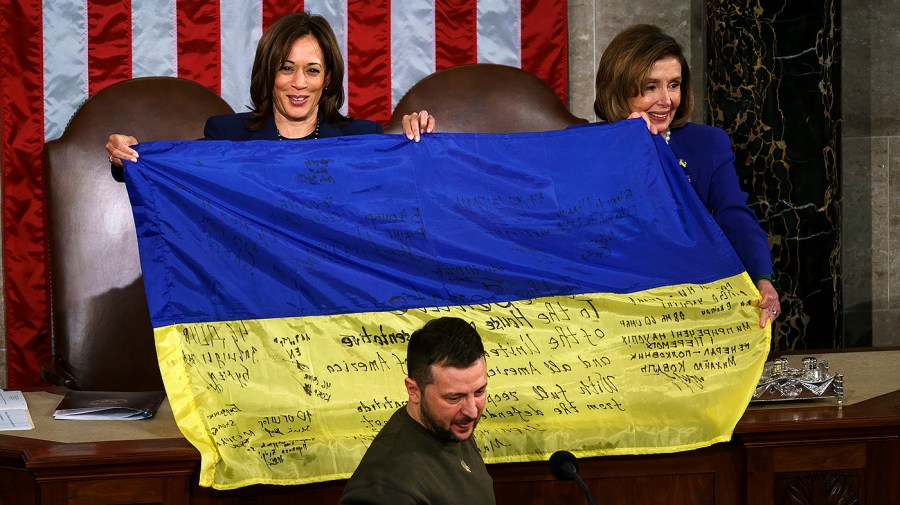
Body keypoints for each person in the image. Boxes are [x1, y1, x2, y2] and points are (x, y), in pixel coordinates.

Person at [593, 24, 780, 328]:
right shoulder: (585, 146)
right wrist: (628, 143)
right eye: (651, 86)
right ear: (619, 87)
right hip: (614, 305)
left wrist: (763, 279)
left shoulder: (708, 144)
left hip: (691, 303)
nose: (666, 100)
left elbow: (734, 216)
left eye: (674, 84)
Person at [106, 11, 435, 178]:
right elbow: (176, 173)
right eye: (286, 68)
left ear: (328, 79)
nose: (299, 84)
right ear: (269, 73)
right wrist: (131, 159)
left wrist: (420, 142)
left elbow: (411, 194)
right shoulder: (226, 136)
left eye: (312, 70)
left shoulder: (364, 138)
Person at [339, 317, 495, 505]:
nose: (472, 411)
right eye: (454, 398)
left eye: (479, 392)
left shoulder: (450, 423)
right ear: (414, 391)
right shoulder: (386, 489)